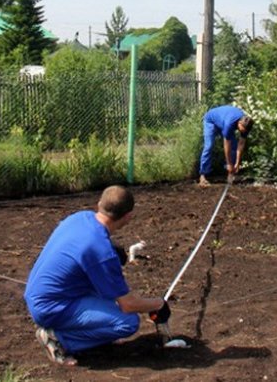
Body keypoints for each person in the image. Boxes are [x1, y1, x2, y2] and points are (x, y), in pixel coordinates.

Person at [24, 185, 171, 366]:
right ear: (128, 216)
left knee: (109, 299)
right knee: (128, 323)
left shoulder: (79, 218)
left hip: (38, 293)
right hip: (52, 307)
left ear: (99, 204)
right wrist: (158, 304)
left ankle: (86, 330)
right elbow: (128, 304)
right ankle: (58, 338)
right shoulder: (101, 252)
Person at [199, 105, 253, 186]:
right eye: (242, 129)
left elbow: (241, 144)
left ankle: (230, 174)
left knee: (234, 146)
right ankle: (202, 176)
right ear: (239, 123)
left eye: (244, 131)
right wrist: (229, 163)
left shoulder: (246, 125)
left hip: (223, 121)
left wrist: (237, 163)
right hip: (211, 121)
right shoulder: (229, 123)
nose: (242, 132)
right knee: (209, 146)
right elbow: (227, 145)